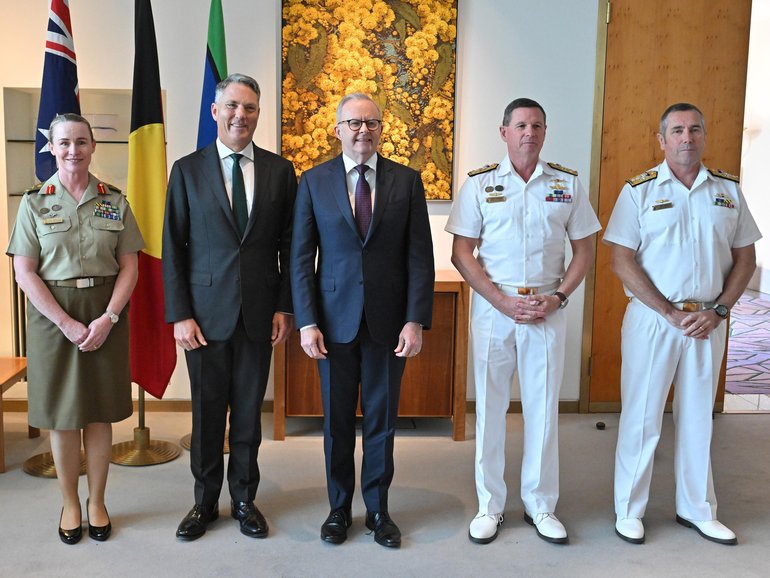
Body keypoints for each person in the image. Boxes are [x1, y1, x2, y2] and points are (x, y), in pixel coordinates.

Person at [446, 98, 601, 545]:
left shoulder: (567, 184)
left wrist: (558, 297)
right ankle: (490, 506)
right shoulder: (480, 184)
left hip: (547, 309)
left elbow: (584, 251)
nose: (528, 132)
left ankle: (540, 504)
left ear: (545, 132)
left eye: (536, 125)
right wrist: (500, 301)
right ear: (504, 132)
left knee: (543, 411)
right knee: (491, 410)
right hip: (497, 310)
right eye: (520, 125)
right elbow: (462, 253)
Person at [605, 102, 761, 546]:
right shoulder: (640, 191)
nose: (686, 138)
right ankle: (629, 510)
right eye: (677, 131)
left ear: (704, 136)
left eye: (694, 129)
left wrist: (720, 311)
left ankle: (697, 508)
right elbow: (621, 259)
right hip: (655, 319)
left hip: (709, 321)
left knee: (698, 418)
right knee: (642, 417)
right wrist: (670, 312)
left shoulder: (728, 191)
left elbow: (745, 257)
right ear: (662, 140)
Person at [290, 93, 434, 548]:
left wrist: (415, 320)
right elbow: (299, 258)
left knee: (381, 421)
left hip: (388, 325)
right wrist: (306, 322)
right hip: (332, 326)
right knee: (335, 422)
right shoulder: (313, 182)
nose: (362, 131)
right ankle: (338, 509)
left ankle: (377, 510)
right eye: (353, 123)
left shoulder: (406, 182)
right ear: (338, 130)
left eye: (371, 123)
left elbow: (419, 259)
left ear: (381, 129)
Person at [162, 73, 297, 541]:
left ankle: (244, 499)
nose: (241, 115)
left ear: (259, 114)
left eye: (251, 108)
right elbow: (173, 246)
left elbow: (289, 245)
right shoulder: (186, 169)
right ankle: (203, 503)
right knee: (205, 414)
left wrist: (285, 307)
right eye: (233, 106)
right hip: (202, 316)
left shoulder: (281, 171)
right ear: (215, 112)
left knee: (247, 414)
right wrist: (179, 314)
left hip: (259, 315)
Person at [7, 113, 143, 544]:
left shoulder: (115, 201)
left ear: (92, 147)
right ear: (52, 147)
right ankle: (69, 502)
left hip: (105, 312)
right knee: (64, 417)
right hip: (53, 316)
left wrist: (109, 317)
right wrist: (65, 322)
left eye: (81, 142)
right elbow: (24, 273)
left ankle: (98, 501)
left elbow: (130, 266)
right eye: (64, 142)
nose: (73, 150)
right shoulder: (34, 202)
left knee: (99, 412)